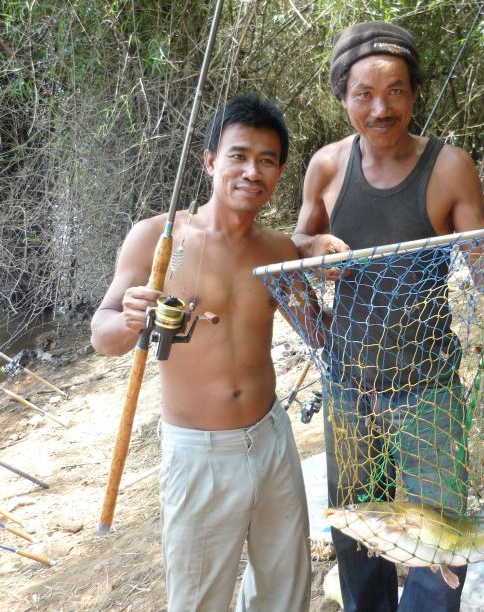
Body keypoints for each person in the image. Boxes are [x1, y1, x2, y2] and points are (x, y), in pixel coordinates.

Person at [292, 21, 484, 612]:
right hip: (348, 384)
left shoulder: (449, 167)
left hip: (427, 387)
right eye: (364, 93)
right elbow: (299, 241)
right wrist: (312, 248)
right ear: (343, 98)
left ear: (415, 94)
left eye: (396, 90)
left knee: (439, 534)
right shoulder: (325, 167)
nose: (381, 107)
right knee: (357, 531)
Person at [91, 93, 315, 612]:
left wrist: (318, 259)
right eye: (238, 155)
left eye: (267, 160)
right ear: (210, 160)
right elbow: (102, 337)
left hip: (273, 438)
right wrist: (128, 318)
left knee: (284, 589)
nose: (251, 171)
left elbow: (318, 334)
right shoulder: (157, 237)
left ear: (280, 171)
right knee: (198, 599)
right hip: (198, 452)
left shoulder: (279, 250)